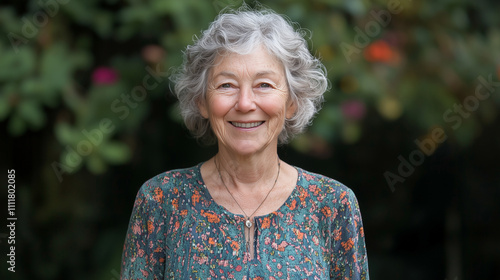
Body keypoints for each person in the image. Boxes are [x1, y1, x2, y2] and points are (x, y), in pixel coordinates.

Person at [121, 7, 369, 280]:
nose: (245, 103)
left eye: (264, 85)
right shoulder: (160, 200)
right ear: (202, 101)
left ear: (292, 103)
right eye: (226, 85)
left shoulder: (332, 204)